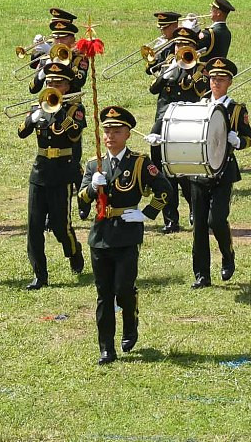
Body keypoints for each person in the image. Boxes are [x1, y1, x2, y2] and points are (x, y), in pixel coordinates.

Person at [78, 106, 168, 364]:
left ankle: (131, 323)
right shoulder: (94, 163)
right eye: (107, 131)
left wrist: (147, 214)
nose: (110, 136)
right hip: (100, 235)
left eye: (116, 131)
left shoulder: (139, 163)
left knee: (123, 289)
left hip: (127, 234)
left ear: (128, 134)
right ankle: (106, 348)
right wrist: (93, 188)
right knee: (104, 293)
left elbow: (164, 189)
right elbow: (81, 200)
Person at [176, 58, 250, 287]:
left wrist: (237, 140)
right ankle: (201, 275)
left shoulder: (236, 109)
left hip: (223, 171)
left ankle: (228, 256)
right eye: (213, 78)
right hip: (199, 172)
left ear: (229, 82)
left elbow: (248, 138)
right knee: (199, 226)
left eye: (221, 79)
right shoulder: (200, 104)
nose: (215, 83)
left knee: (216, 220)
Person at [16, 64, 85, 288]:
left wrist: (60, 112)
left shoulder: (75, 108)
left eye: (57, 83)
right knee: (34, 227)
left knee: (60, 226)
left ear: (66, 86)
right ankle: (40, 275)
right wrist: (33, 116)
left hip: (62, 172)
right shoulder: (39, 106)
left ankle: (74, 251)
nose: (51, 87)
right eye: (48, 83)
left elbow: (74, 134)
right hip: (40, 171)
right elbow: (21, 132)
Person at [144, 22, 201, 232]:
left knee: (185, 171)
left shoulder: (199, 67)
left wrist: (190, 71)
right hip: (163, 120)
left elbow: (202, 91)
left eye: (185, 44)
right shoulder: (168, 63)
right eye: (177, 44)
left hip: (186, 121)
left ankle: (195, 209)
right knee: (163, 171)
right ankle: (171, 219)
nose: (180, 49)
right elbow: (153, 90)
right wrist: (164, 74)